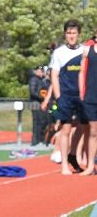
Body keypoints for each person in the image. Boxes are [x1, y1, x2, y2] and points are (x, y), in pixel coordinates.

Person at [50, 19, 88, 175]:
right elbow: (54, 75)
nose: (71, 36)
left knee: (83, 127)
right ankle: (64, 164)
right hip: (65, 95)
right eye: (68, 33)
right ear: (65, 34)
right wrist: (58, 96)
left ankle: (73, 154)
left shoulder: (85, 50)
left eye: (74, 33)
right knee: (65, 129)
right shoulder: (59, 52)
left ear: (78, 34)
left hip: (83, 95)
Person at [79, 38, 97, 175]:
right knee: (93, 131)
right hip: (91, 96)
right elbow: (81, 73)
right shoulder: (87, 50)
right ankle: (90, 165)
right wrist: (81, 93)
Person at [29, 65, 49, 146]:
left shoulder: (41, 80)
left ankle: (40, 139)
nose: (42, 73)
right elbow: (33, 92)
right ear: (36, 71)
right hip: (36, 103)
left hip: (40, 102)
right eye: (40, 71)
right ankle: (35, 141)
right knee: (37, 122)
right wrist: (42, 97)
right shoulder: (34, 79)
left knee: (42, 121)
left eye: (42, 71)